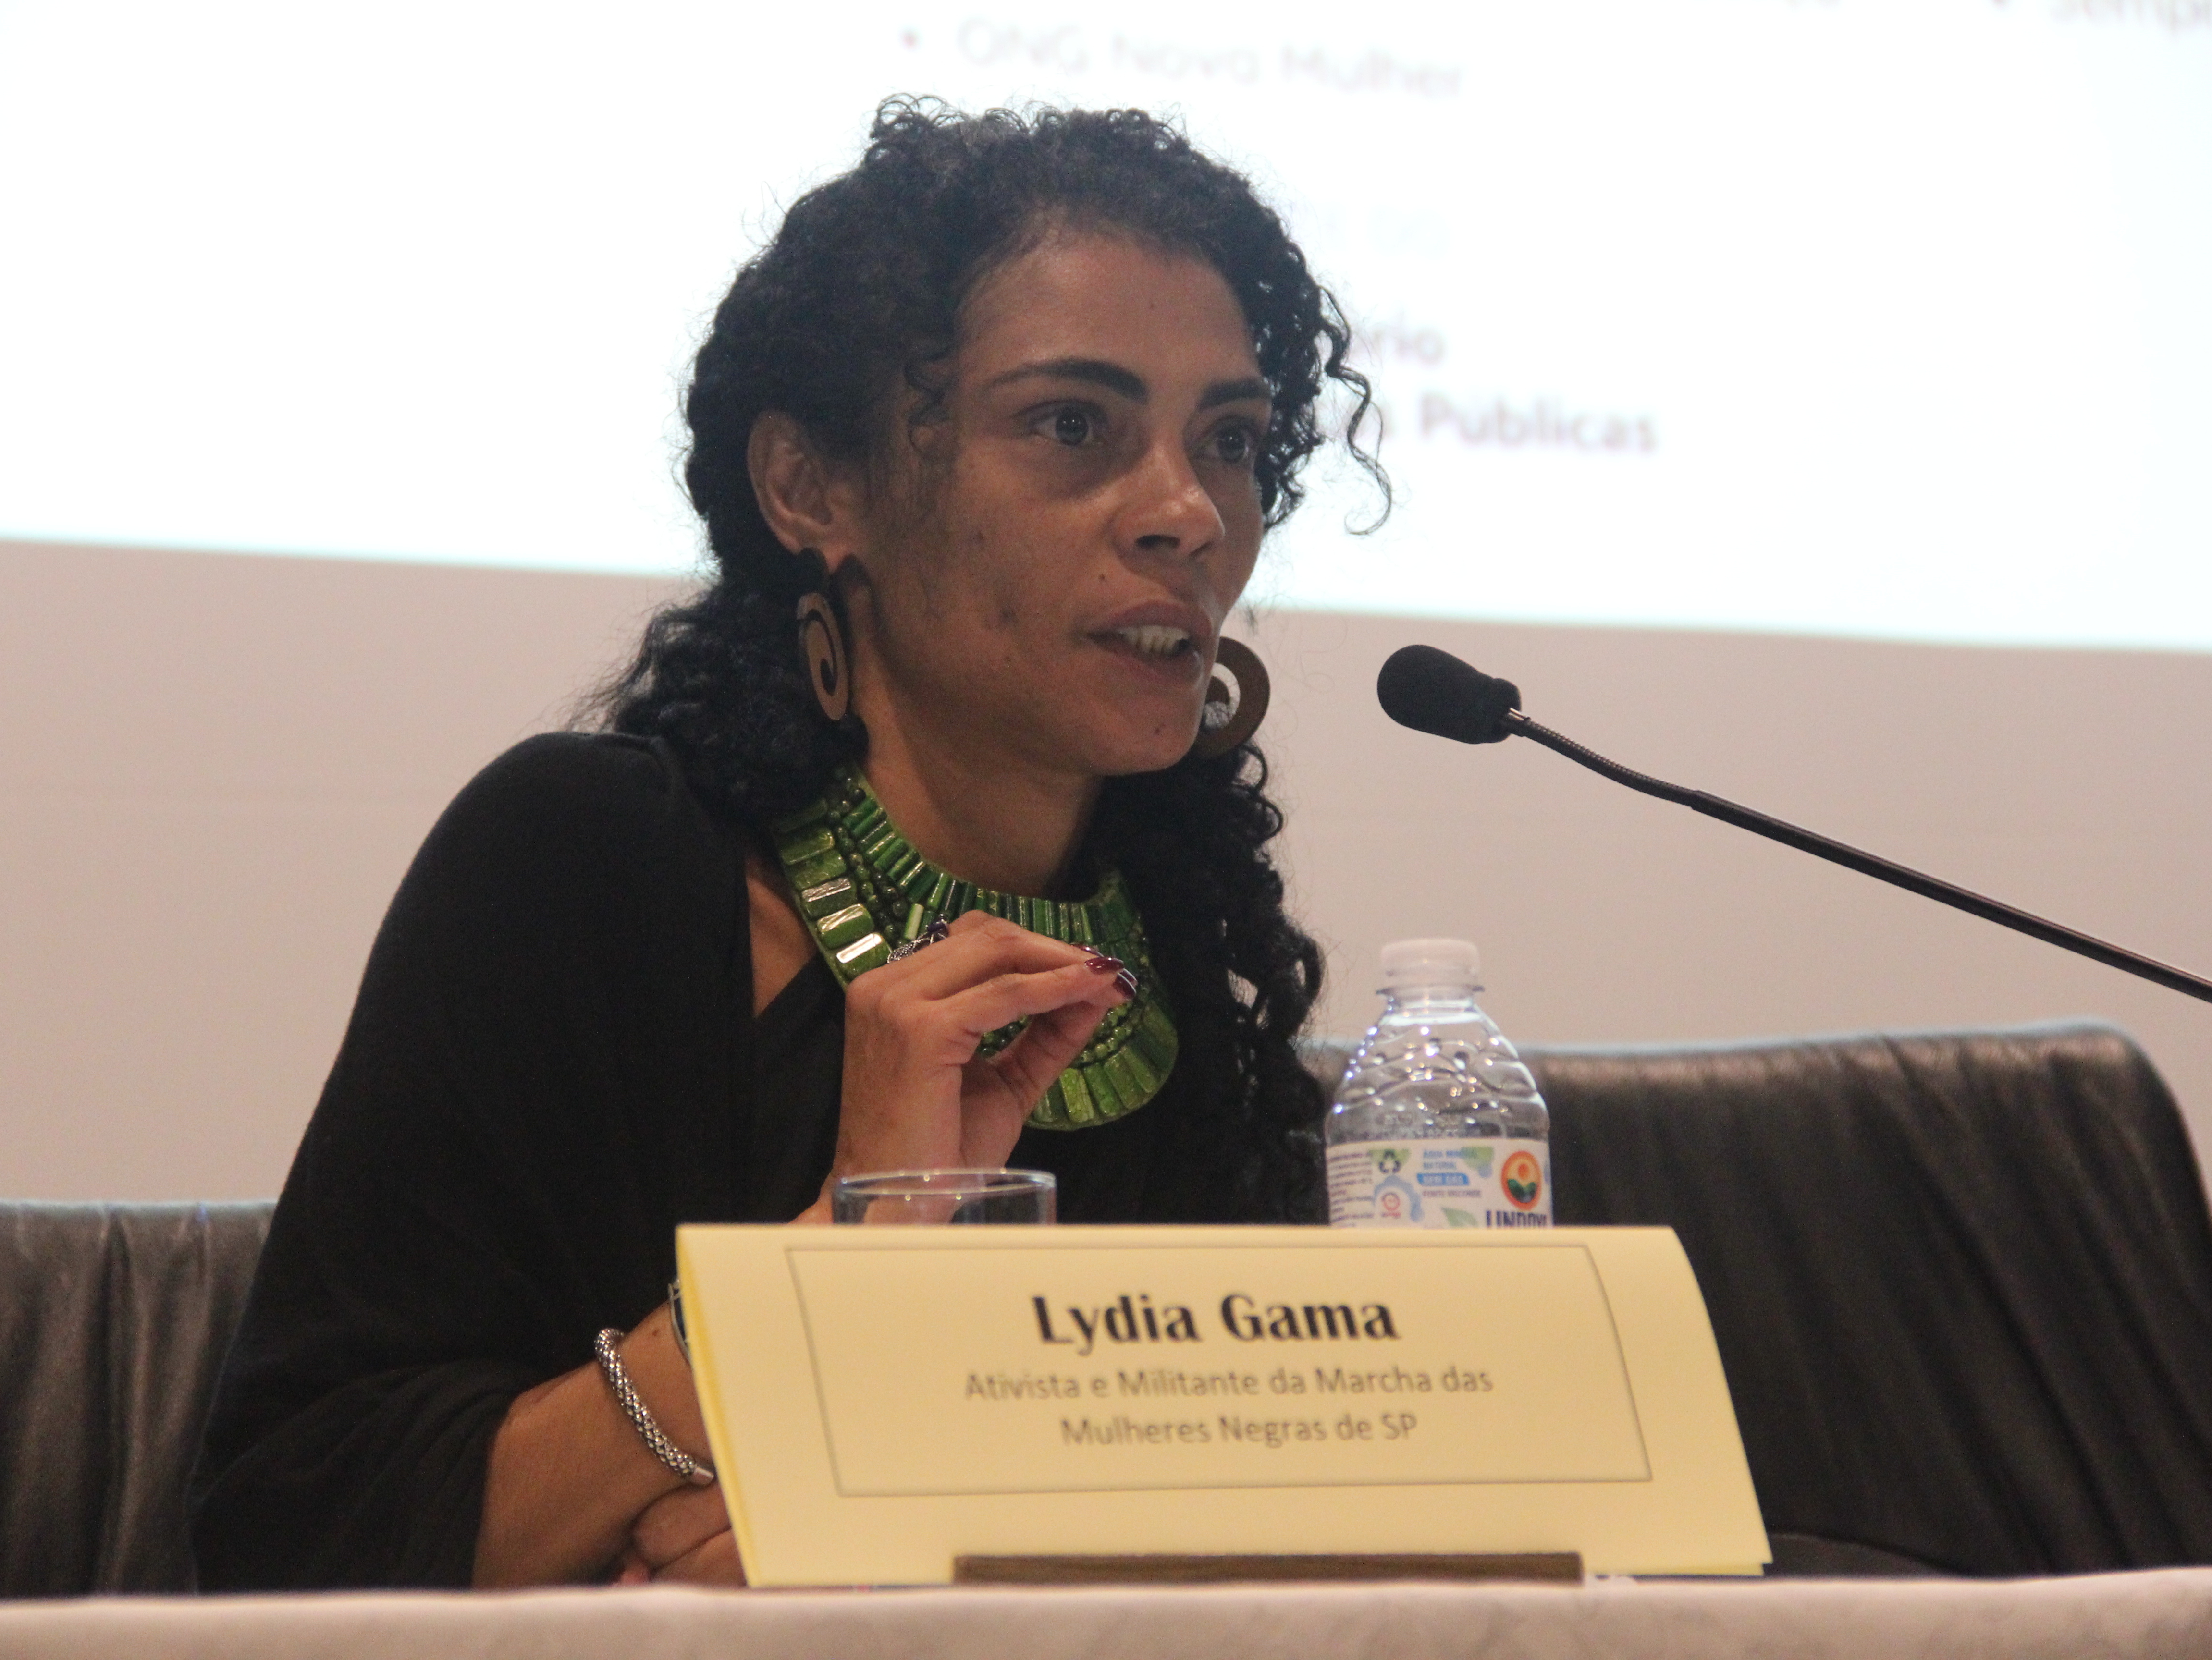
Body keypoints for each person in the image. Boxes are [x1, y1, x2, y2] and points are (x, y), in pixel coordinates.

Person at [189, 98, 1382, 1590]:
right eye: (1073, 426)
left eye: (1232, 441)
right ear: (814, 488)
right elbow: (291, 1535)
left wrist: (879, 1531)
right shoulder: (587, 866)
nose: (1189, 513)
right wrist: (817, 1280)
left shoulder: (1179, 941)